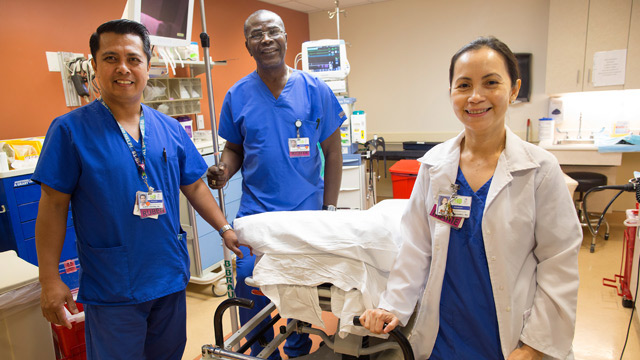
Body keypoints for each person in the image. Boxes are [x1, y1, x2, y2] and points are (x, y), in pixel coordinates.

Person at [359, 37, 582, 360]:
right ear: (451, 92)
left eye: (491, 83)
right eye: (463, 85)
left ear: (514, 89)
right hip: (444, 337)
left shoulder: (540, 170)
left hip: (511, 340)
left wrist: (536, 345)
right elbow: (416, 247)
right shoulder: (435, 167)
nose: (475, 97)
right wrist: (392, 306)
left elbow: (558, 263)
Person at [33, 19, 241, 360]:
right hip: (113, 286)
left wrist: (224, 228)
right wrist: (49, 280)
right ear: (95, 65)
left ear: (148, 63)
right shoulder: (70, 131)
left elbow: (194, 186)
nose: (123, 68)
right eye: (111, 58)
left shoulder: (169, 128)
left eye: (133, 59)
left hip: (169, 278)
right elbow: (53, 206)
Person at [206, 9, 345, 359]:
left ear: (285, 37)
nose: (266, 39)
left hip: (306, 209)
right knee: (249, 279)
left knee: (300, 284)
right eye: (256, 35)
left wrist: (329, 209)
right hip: (258, 210)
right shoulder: (238, 95)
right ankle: (256, 350)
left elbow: (333, 151)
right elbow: (234, 149)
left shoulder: (315, 90)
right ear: (248, 46)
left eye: (273, 32)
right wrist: (224, 169)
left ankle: (297, 345)